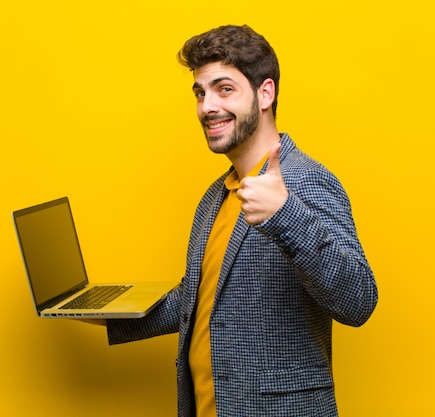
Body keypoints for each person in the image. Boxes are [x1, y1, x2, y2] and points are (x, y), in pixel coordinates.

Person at [88, 24, 378, 417]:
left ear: (265, 93)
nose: (207, 106)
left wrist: (285, 215)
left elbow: (358, 300)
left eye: (224, 89)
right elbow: (202, 299)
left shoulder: (303, 180)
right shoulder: (217, 194)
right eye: (200, 92)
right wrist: (108, 315)